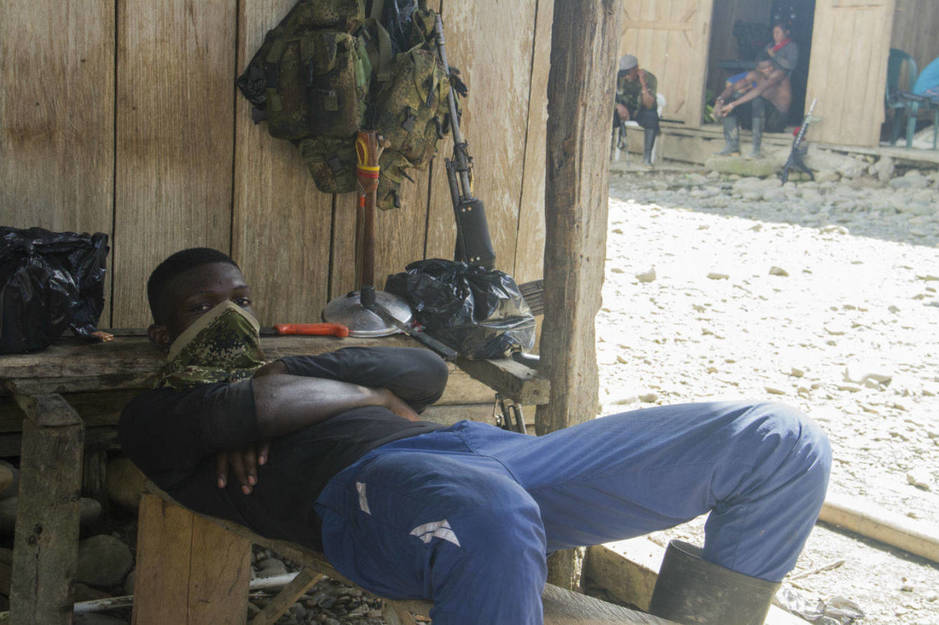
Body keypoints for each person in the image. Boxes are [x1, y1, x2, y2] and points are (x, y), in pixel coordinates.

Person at [120, 247, 832, 625]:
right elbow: (238, 412)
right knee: (486, 510)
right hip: (373, 492)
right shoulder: (155, 410)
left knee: (779, 440)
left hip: (482, 454)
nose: (231, 316)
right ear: (162, 332)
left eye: (241, 301)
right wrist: (353, 395)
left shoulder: (295, 367)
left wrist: (314, 380)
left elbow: (424, 371)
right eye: (203, 306)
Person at [715, 22, 798, 158]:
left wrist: (733, 105)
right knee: (731, 98)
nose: (769, 70)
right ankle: (732, 146)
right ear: (758, 68)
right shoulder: (754, 74)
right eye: (765, 68)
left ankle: (756, 149)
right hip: (760, 119)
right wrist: (720, 101)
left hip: (776, 121)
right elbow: (733, 87)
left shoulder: (779, 74)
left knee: (756, 100)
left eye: (770, 67)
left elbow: (759, 91)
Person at [614, 54, 659, 166]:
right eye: (624, 73)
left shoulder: (650, 78)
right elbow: (609, 96)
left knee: (652, 117)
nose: (626, 76)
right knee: (609, 117)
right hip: (624, 110)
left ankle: (647, 159)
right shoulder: (618, 77)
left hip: (640, 111)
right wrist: (617, 106)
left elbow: (649, 104)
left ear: (636, 69)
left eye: (628, 73)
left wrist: (643, 84)